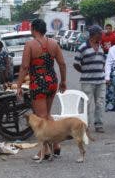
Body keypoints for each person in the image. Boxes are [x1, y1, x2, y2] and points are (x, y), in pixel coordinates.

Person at [17, 19, 67, 159]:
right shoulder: (54, 43)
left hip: (38, 83)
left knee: (41, 118)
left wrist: (19, 85)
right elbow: (62, 64)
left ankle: (44, 150)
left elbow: (25, 67)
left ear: (33, 29)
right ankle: (56, 145)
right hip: (52, 81)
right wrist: (63, 81)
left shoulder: (30, 44)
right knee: (47, 115)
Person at [73, 25, 106, 133]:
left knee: (100, 103)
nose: (102, 35)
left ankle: (99, 124)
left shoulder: (101, 46)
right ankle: (85, 125)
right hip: (87, 81)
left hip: (100, 80)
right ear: (94, 34)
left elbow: (103, 61)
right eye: (100, 33)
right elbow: (76, 63)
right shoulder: (83, 47)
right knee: (86, 103)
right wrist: (84, 71)